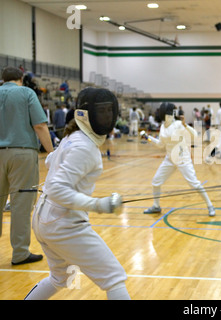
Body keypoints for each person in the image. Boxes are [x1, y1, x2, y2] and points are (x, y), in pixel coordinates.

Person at [24, 87, 130, 300]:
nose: (108, 117)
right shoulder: (84, 146)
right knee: (114, 277)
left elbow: (50, 160)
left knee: (59, 279)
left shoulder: (74, 137)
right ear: (85, 114)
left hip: (45, 220)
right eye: (102, 112)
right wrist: (99, 204)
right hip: (63, 225)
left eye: (110, 111)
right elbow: (56, 188)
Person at [0, 66, 54, 265]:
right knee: (21, 204)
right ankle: (20, 253)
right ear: (20, 79)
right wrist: (51, 152)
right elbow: (39, 125)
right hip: (22, 153)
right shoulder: (26, 93)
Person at [143, 102, 215, 217]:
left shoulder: (178, 124)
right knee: (156, 182)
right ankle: (156, 206)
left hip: (182, 159)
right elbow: (161, 144)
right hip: (170, 159)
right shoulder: (162, 127)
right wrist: (149, 138)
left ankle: (210, 205)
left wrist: (185, 125)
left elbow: (195, 135)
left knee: (195, 184)